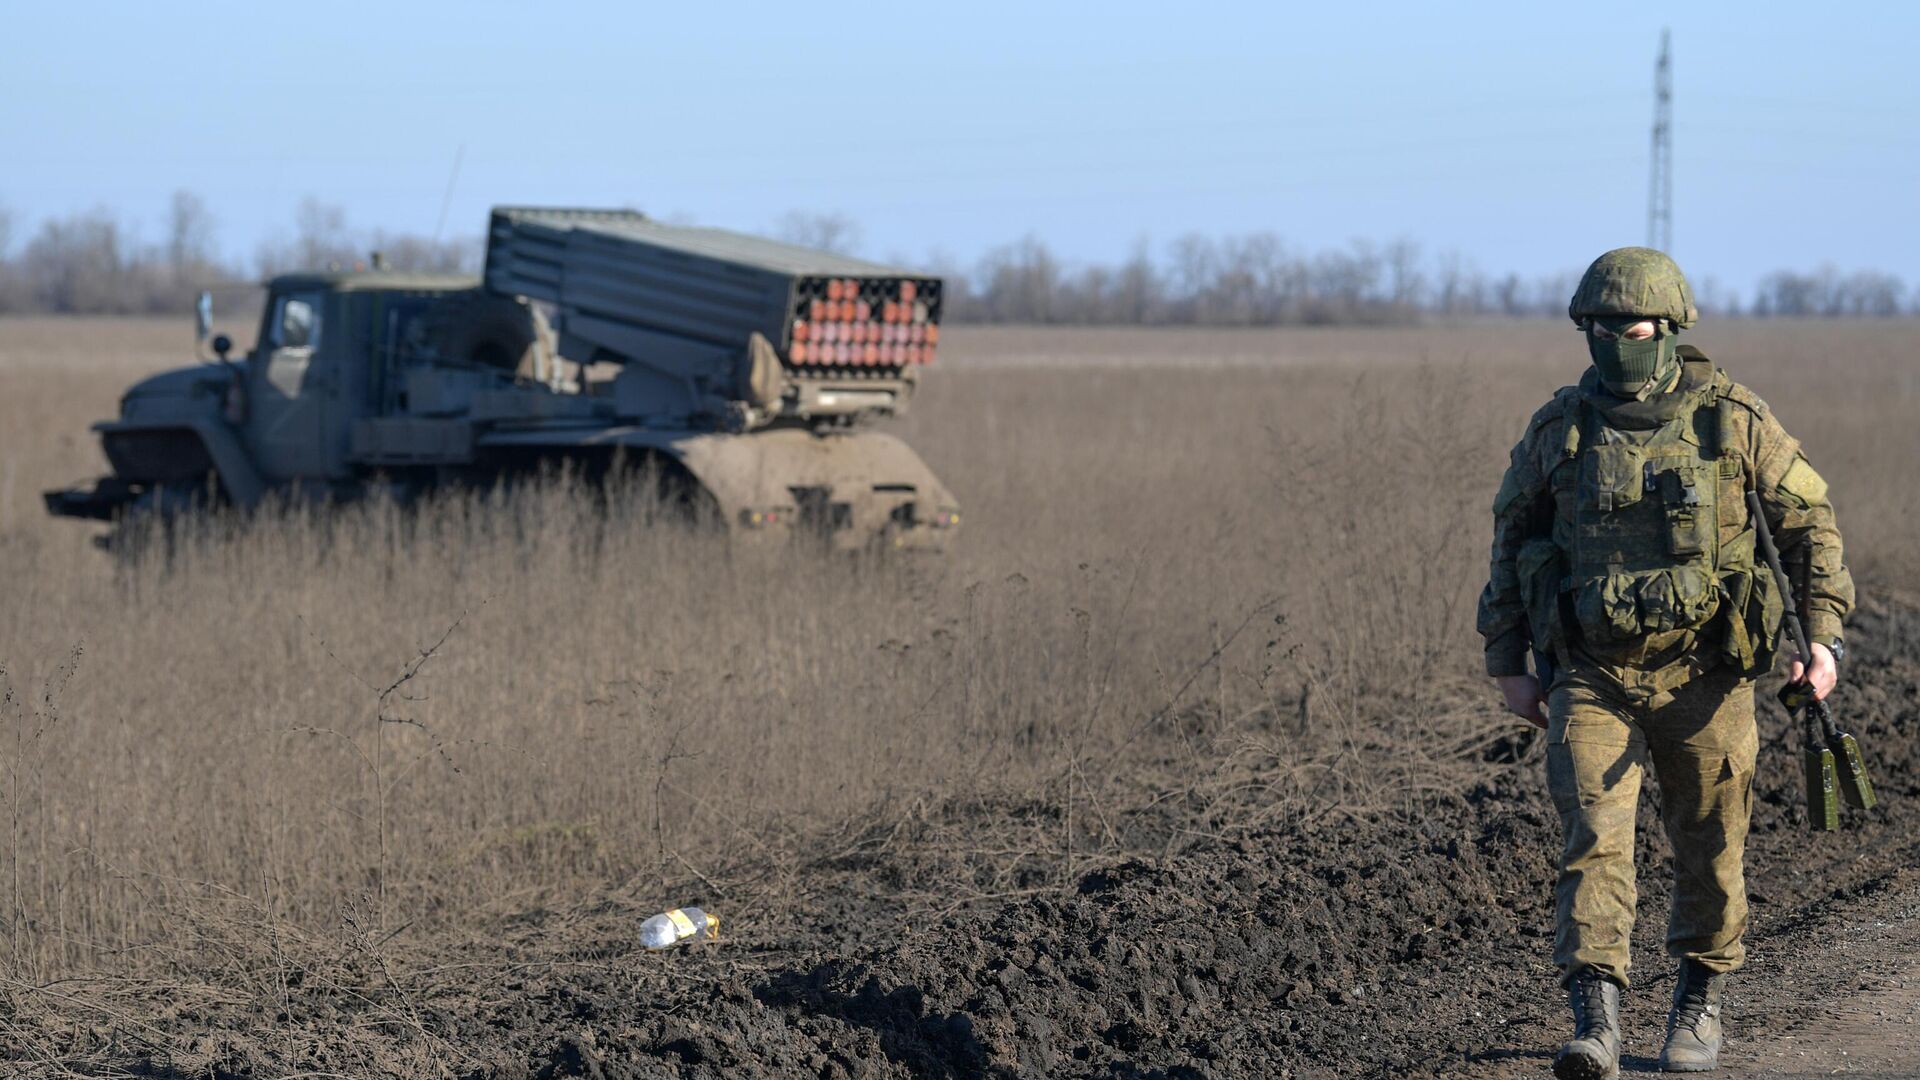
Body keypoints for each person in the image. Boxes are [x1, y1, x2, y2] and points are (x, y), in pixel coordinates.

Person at [1476, 248, 1852, 1077]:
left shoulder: (1734, 420)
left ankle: (1698, 1004)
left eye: (1635, 327)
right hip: (1591, 673)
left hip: (1706, 675)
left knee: (1712, 845)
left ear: (1671, 328)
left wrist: (1820, 640)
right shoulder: (1560, 429)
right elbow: (1512, 539)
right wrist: (1507, 657)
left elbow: (1809, 525)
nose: (1618, 341)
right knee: (1594, 844)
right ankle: (1596, 1017)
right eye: (1601, 327)